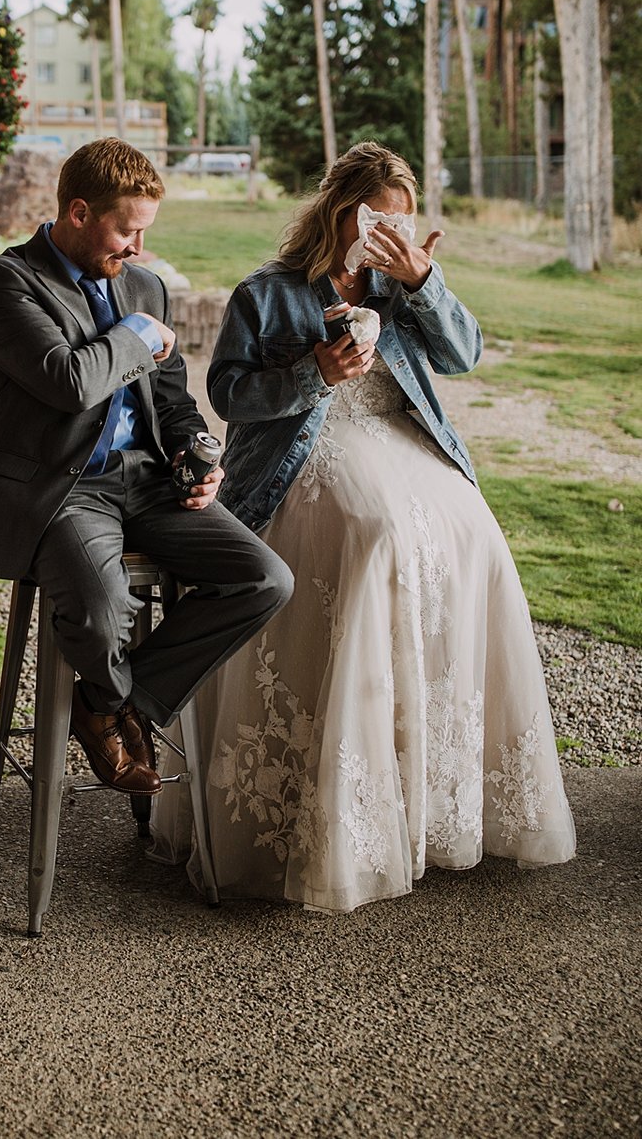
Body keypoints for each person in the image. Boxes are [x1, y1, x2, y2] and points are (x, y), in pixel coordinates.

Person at [153, 141, 575, 912]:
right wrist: (315, 371)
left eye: (401, 222)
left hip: (401, 439)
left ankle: (433, 798)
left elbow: (465, 354)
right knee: (376, 534)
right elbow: (230, 394)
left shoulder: (403, 284)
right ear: (339, 208)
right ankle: (339, 809)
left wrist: (423, 279)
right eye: (374, 216)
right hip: (307, 446)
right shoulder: (269, 291)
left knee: (476, 534)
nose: (385, 231)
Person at [0, 138, 293, 796]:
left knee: (265, 578)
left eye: (145, 231)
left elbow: (173, 401)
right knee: (102, 606)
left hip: (146, 479)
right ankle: (112, 705)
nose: (138, 248)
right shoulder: (4, 281)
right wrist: (139, 335)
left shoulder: (141, 285)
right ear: (80, 212)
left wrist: (196, 455)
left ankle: (118, 705)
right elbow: (66, 382)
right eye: (126, 229)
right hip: (63, 487)